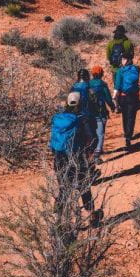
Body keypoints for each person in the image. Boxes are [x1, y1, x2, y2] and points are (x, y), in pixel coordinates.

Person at [49, 91, 101, 223]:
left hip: (59, 158)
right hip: (77, 157)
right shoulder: (82, 119)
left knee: (64, 188)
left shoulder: (58, 119)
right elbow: (93, 139)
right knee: (84, 187)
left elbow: (53, 141)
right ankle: (92, 216)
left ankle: (58, 218)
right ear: (80, 103)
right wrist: (89, 153)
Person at [112, 54, 140, 151]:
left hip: (123, 97)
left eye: (123, 59)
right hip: (134, 96)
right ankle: (129, 135)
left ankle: (126, 134)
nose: (122, 60)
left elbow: (117, 86)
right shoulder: (136, 69)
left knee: (125, 116)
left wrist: (114, 99)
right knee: (132, 116)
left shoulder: (120, 71)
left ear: (127, 60)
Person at [87, 66, 115, 161]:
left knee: (92, 133)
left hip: (90, 113)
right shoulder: (103, 84)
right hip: (101, 112)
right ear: (101, 74)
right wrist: (112, 106)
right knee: (100, 133)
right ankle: (97, 154)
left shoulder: (88, 84)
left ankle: (93, 151)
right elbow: (108, 98)